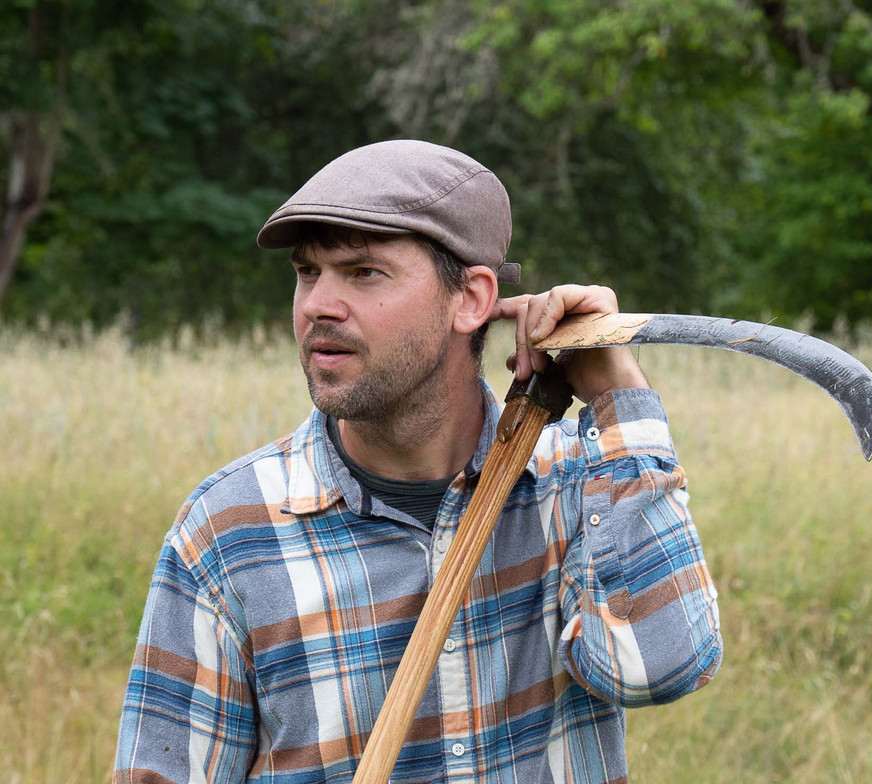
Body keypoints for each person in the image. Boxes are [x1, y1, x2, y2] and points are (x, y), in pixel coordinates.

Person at [113, 140, 722, 784]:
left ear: (472, 299)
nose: (318, 304)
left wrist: (617, 390)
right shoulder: (229, 532)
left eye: (363, 272)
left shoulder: (578, 485)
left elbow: (661, 667)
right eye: (308, 272)